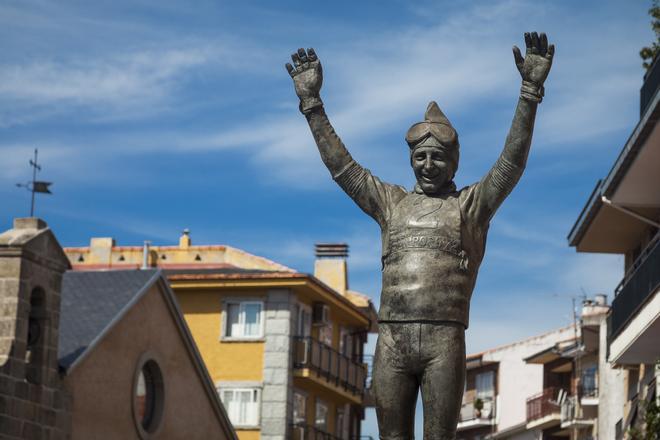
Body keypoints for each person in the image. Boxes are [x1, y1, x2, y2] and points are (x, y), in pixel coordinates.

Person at [286, 32, 554, 440]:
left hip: (444, 339)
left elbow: (510, 164)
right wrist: (312, 105)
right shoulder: (389, 203)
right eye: (420, 157)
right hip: (392, 338)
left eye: (438, 157)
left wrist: (529, 92)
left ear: (454, 161)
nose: (428, 165)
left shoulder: (470, 206)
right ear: (410, 159)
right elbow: (342, 167)